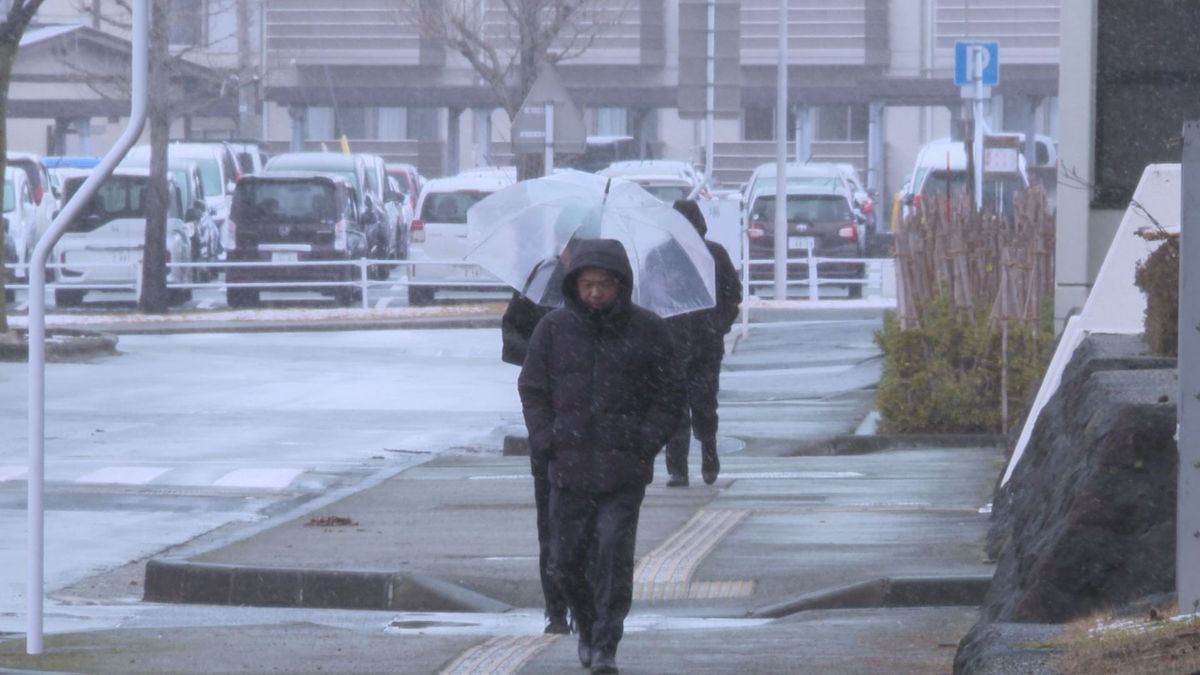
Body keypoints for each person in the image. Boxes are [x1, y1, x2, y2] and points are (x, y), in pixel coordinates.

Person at [518, 238, 685, 674]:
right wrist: (546, 438)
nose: (595, 293)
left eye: (604, 285)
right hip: (567, 467)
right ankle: (587, 628)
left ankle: (606, 643)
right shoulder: (553, 329)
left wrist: (644, 441)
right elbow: (532, 389)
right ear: (574, 284)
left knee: (612, 555)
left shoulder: (649, 330)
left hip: (622, 469)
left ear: (621, 285)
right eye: (588, 284)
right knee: (564, 562)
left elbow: (670, 395)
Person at [500, 290, 569, 634]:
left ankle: (595, 611)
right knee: (553, 528)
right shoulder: (539, 290)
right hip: (554, 445)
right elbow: (512, 337)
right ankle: (556, 608)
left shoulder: (622, 306)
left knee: (604, 534)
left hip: (609, 447)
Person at [664, 199, 743, 487]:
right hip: (671, 347)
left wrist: (716, 326)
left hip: (705, 346)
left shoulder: (714, 255)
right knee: (674, 408)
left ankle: (708, 449)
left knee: (704, 403)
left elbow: (732, 296)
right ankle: (677, 468)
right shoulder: (661, 257)